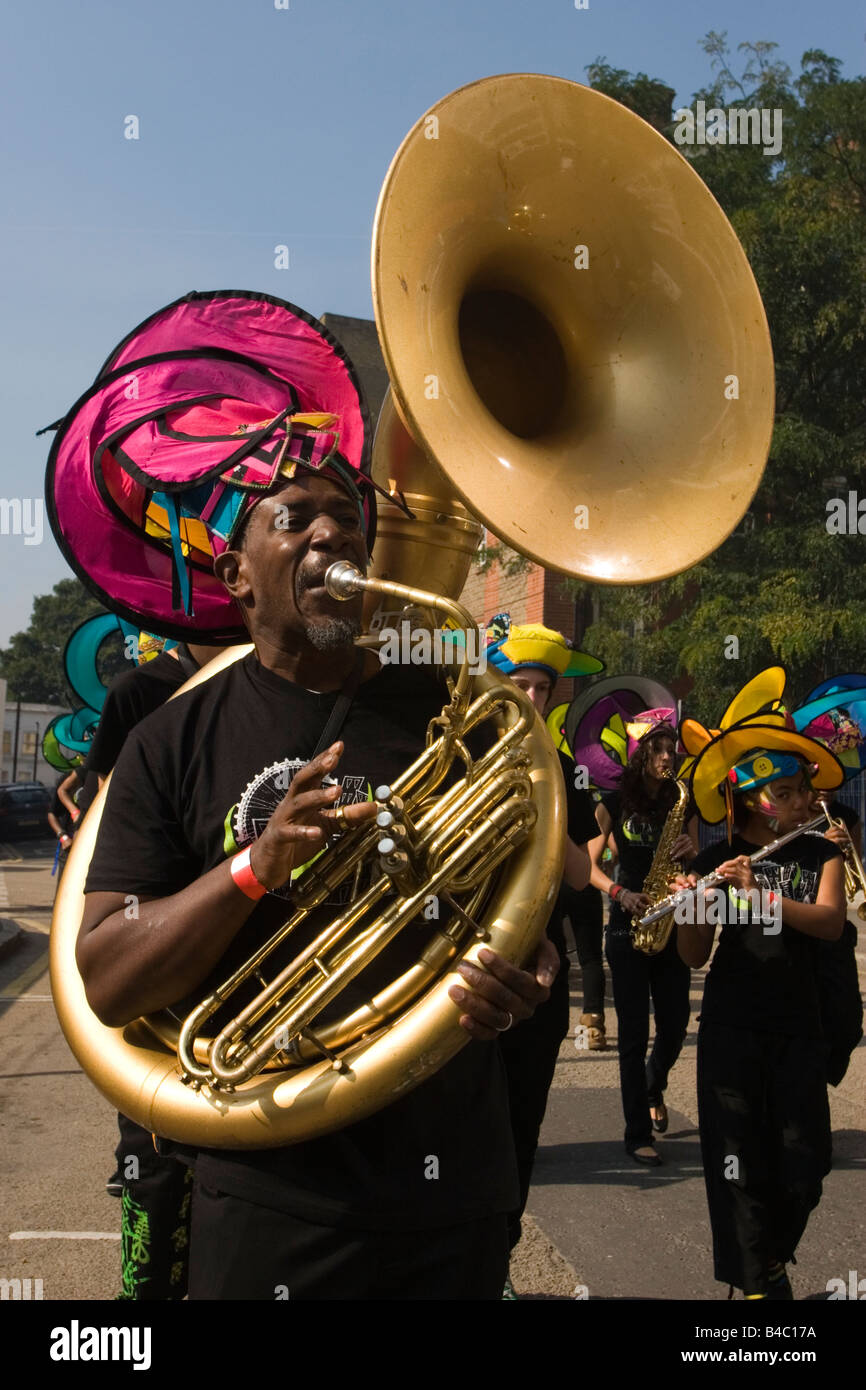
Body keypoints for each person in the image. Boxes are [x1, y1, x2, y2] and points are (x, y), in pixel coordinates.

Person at [59, 290, 559, 1300]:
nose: (332, 531)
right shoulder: (173, 734)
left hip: (450, 1185)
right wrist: (253, 868)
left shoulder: (460, 710)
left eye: (348, 512)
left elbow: (528, 921)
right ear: (237, 574)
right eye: (295, 517)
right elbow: (107, 975)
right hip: (269, 1191)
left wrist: (528, 973)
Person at [673, 718, 845, 1300]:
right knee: (734, 1160)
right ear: (751, 800)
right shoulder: (715, 859)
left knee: (806, 1161)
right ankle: (754, 1287)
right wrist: (689, 909)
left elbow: (830, 923)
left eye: (802, 791)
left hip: (800, 1025)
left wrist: (763, 897)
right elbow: (694, 956)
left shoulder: (821, 854)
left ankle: (770, 1259)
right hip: (731, 1023)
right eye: (786, 793)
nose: (803, 802)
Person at [84, 638, 229, 1302]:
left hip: (255, 979)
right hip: (163, 968)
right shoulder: (139, 693)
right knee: (157, 1171)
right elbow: (102, 817)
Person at [485, 618, 603, 1284]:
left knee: (519, 1128)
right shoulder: (466, 752)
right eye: (519, 686)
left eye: (541, 690)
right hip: (464, 967)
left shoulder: (560, 769)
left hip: (539, 968)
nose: (530, 701)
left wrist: (539, 805)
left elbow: (583, 877)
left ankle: (497, 1262)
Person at [589, 713, 697, 1165]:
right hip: (627, 921)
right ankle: (636, 1134)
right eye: (657, 748)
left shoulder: (682, 802)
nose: (667, 756)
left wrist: (692, 864)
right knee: (632, 1033)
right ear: (641, 754)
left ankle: (654, 1086)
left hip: (672, 921)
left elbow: (694, 864)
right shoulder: (613, 803)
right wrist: (619, 891)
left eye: (671, 748)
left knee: (674, 1024)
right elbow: (588, 866)